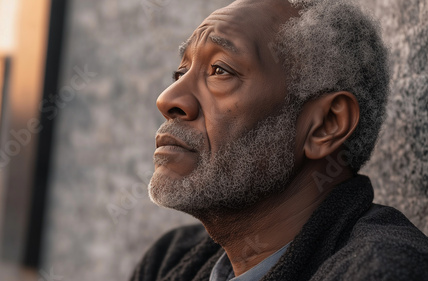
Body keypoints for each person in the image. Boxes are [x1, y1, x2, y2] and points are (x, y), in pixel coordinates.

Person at [130, 0, 428, 280]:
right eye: (180, 73)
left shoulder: (382, 270)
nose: (167, 99)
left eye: (220, 70)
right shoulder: (168, 261)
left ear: (327, 124)